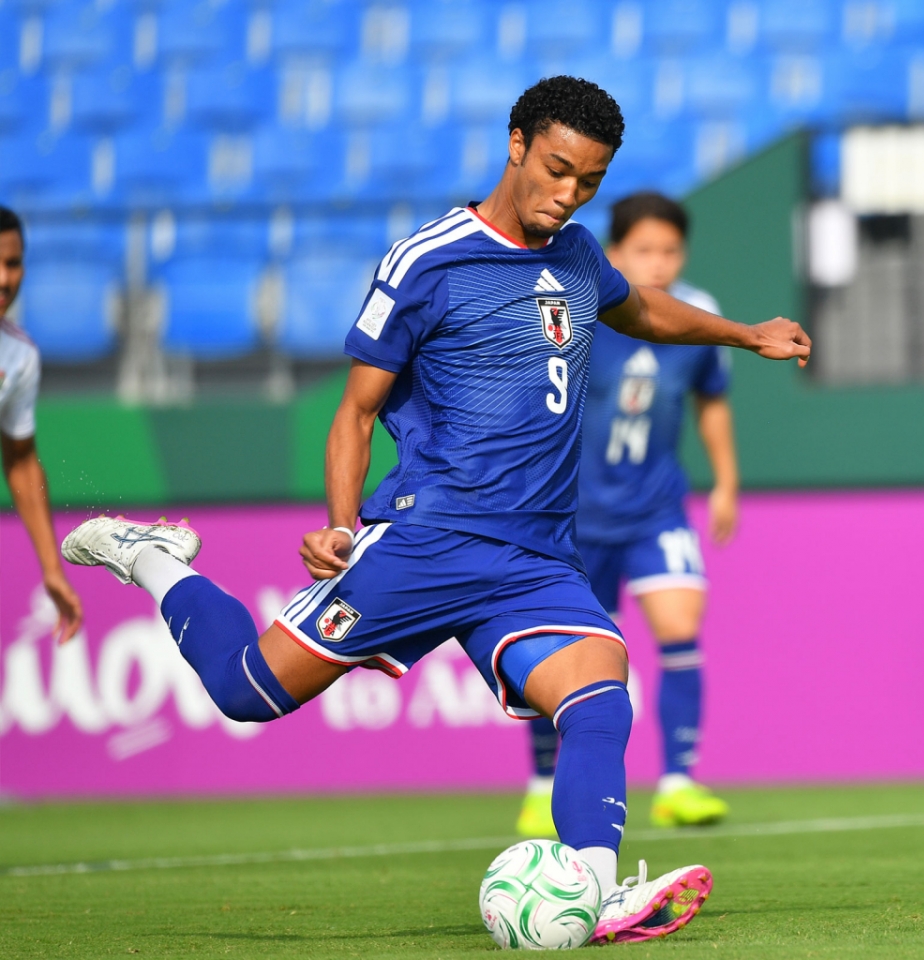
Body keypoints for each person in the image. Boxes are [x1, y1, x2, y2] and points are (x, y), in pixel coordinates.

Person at [60, 77, 810, 944]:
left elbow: (638, 308)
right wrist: (342, 523)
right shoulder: (429, 260)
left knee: (602, 697)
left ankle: (590, 890)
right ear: (517, 143)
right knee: (244, 691)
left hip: (534, 558)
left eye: (589, 182)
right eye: (558, 169)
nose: (568, 194)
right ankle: (154, 559)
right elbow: (356, 411)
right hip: (429, 538)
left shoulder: (575, 254)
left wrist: (745, 333)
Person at [517, 192, 738, 838]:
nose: (659, 263)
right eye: (644, 249)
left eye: (670, 250)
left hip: (655, 509)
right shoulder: (581, 307)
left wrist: (726, 481)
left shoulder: (699, 314)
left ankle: (678, 783)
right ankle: (539, 786)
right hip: (573, 516)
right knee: (564, 655)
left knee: (680, 624)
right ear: (613, 250)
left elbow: (712, 400)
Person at [0, 206, 83, 643]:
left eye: (12, 263)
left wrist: (52, 570)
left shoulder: (19, 357)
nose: (3, 278)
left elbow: (21, 463)